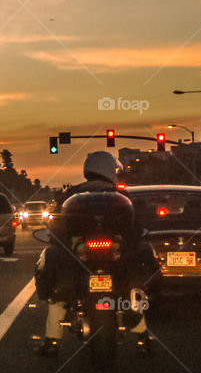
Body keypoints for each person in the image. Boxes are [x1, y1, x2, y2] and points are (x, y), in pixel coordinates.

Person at [33, 151, 157, 357]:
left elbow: (56, 225)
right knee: (132, 290)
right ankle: (143, 339)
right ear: (108, 169)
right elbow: (138, 225)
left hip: (81, 254)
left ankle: (51, 342)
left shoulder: (73, 194)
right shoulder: (122, 195)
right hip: (115, 254)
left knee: (60, 294)